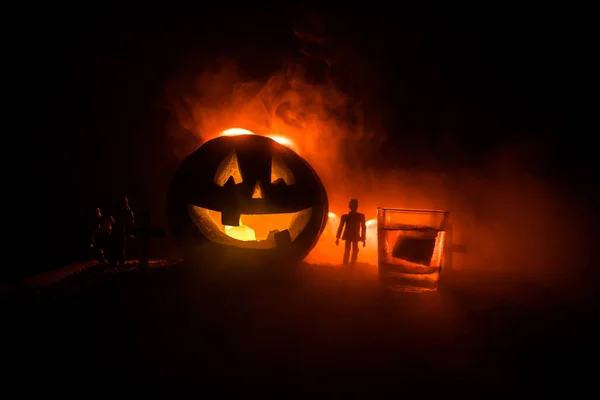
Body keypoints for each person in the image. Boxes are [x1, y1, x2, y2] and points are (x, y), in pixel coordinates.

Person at [335, 199, 366, 266]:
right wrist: (337, 237)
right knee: (349, 250)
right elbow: (341, 226)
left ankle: (350, 265)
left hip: (352, 235)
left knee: (352, 250)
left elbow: (363, 227)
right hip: (351, 235)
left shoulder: (359, 216)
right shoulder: (358, 216)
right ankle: (348, 265)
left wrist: (363, 238)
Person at [109, 196, 135, 265]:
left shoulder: (127, 211)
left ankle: (120, 263)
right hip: (117, 230)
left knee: (120, 248)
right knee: (116, 248)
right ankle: (114, 263)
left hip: (122, 231)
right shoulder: (119, 211)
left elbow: (131, 222)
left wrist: (130, 231)